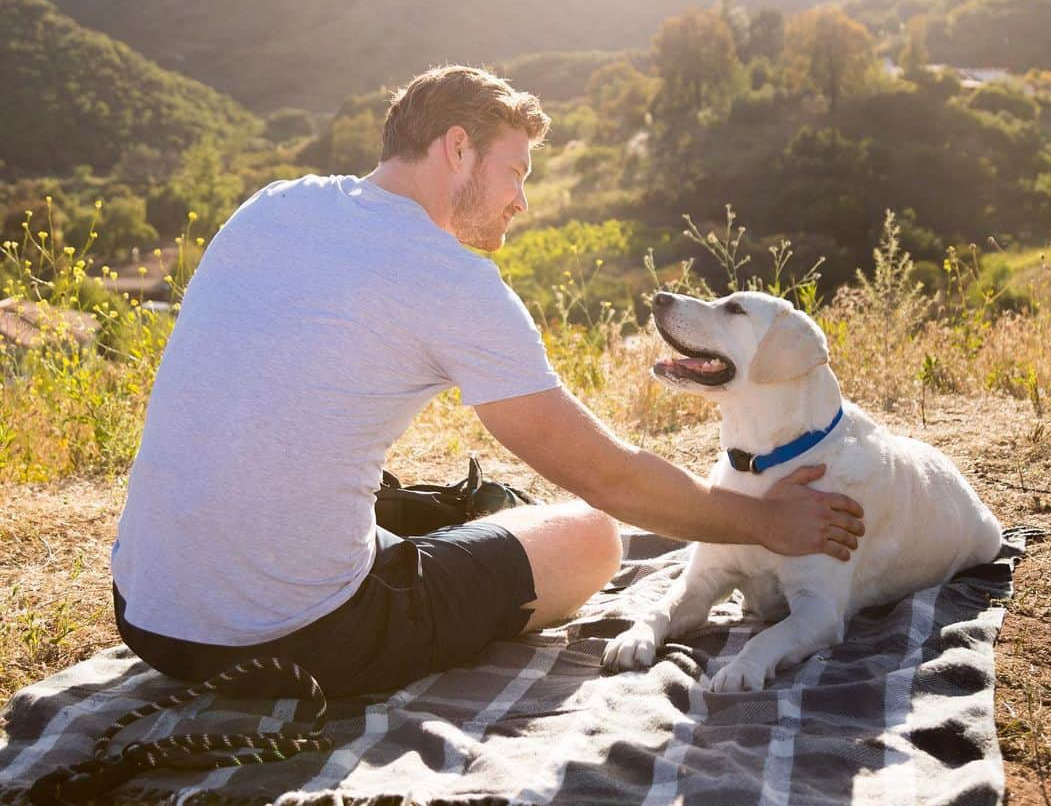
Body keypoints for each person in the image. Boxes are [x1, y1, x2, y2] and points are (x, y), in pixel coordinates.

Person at [111, 65, 864, 698]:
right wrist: (766, 524)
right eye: (516, 172)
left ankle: (454, 523)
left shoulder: (273, 205)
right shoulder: (452, 280)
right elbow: (608, 480)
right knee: (593, 538)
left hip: (145, 615)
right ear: (458, 149)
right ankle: (471, 529)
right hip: (297, 641)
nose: (522, 201)